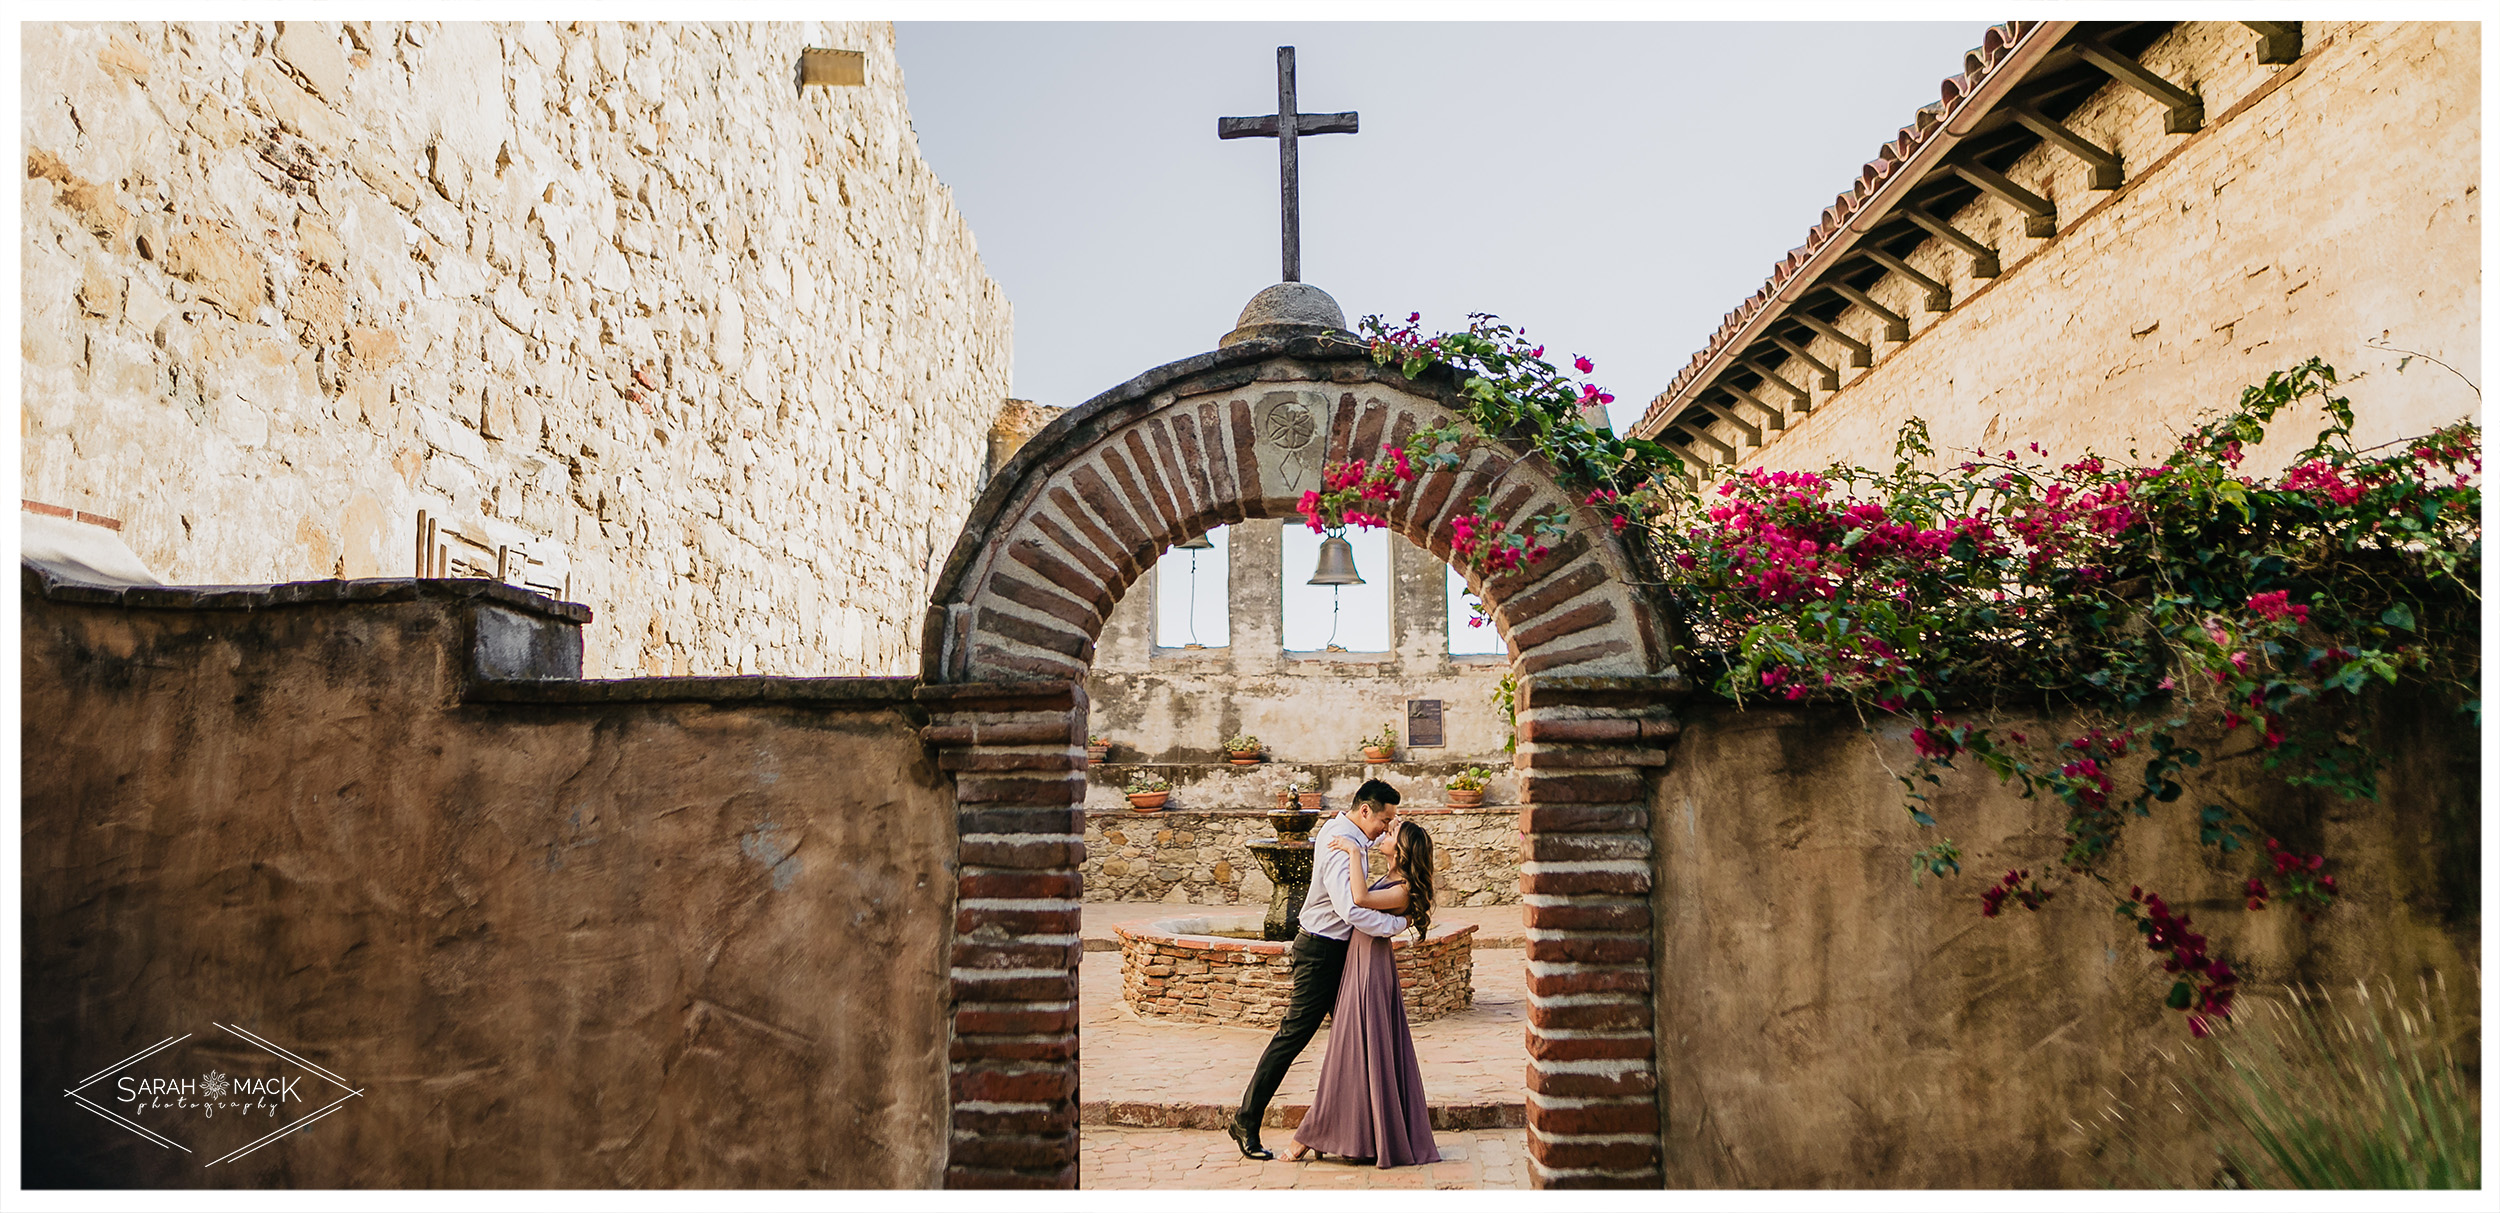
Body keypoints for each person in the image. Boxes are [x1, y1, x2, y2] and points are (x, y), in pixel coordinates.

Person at [1226, 779, 1406, 1161]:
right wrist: (1397, 926)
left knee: (1356, 1043)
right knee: (1292, 1039)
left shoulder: (1348, 832)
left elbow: (1375, 846)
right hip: (1321, 954)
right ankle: (1246, 1119)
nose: (1385, 829)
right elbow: (1352, 909)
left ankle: (1359, 1133)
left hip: (1337, 954)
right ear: (1364, 812)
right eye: (1384, 820)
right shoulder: (1344, 844)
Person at [1283, 818, 1440, 1167]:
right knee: (1357, 1052)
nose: (1386, 833)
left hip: (1370, 968)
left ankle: (1309, 1135)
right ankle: (1352, 1133)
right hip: (1362, 960)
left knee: (1352, 1050)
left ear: (1402, 851)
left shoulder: (1401, 888)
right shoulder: (1396, 879)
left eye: (1393, 833)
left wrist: (1355, 851)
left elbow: (1359, 898)